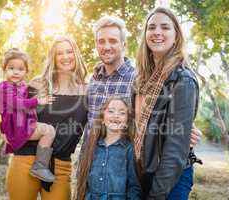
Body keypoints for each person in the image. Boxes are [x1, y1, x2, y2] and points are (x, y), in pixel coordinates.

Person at [5, 37, 88, 200]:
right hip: (26, 159)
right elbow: (15, 113)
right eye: (59, 53)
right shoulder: (38, 84)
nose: (65, 57)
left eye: (69, 51)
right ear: (53, 58)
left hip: (60, 165)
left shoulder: (87, 89)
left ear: (76, 54)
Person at [134, 7, 200, 200]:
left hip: (170, 178)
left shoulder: (183, 80)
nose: (157, 32)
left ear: (176, 35)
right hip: (142, 172)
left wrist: (156, 195)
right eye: (151, 27)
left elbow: (175, 148)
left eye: (165, 27)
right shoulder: (142, 80)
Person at [0, 48, 56, 183]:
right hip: (16, 127)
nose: (16, 72)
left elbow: (31, 92)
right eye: (11, 68)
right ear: (4, 69)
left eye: (20, 69)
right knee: (49, 131)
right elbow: (16, 103)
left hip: (23, 124)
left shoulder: (23, 86)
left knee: (48, 131)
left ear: (26, 71)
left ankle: (39, 165)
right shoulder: (3, 87)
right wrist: (37, 101)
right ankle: (40, 167)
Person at [76, 97, 142, 200]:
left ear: (127, 122)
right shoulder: (93, 147)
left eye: (122, 112)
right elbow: (86, 183)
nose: (116, 115)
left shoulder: (128, 149)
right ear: (102, 119)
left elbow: (134, 186)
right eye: (111, 111)